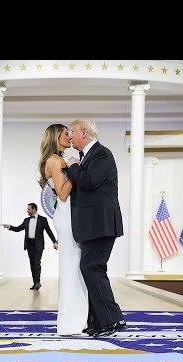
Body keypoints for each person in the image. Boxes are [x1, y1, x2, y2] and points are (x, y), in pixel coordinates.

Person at [65, 119, 125, 337]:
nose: (70, 136)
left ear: (84, 133)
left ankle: (111, 320)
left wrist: (72, 166)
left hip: (101, 224)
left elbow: (89, 181)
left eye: (72, 131)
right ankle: (104, 320)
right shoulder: (89, 155)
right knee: (93, 268)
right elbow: (87, 188)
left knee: (92, 268)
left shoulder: (101, 154)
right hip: (94, 225)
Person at [39, 124, 89, 335]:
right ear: (55, 136)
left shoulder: (54, 160)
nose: (69, 136)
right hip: (67, 214)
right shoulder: (56, 161)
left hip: (68, 214)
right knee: (71, 266)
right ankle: (71, 322)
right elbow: (62, 193)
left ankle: (77, 319)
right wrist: (75, 168)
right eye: (65, 133)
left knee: (74, 265)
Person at [2, 203, 58, 290]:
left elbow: (48, 231)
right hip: (29, 244)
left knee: (36, 263)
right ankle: (35, 283)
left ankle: (38, 282)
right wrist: (9, 227)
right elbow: (18, 229)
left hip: (38, 244)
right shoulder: (26, 220)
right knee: (32, 264)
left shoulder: (43, 219)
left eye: (29, 209)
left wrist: (54, 242)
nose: (27, 211)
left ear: (34, 209)